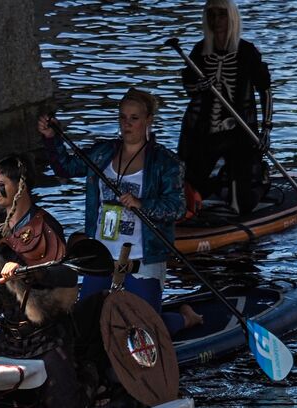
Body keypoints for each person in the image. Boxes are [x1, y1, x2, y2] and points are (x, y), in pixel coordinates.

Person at [39, 89, 201, 337]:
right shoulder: (103, 154)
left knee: (142, 331)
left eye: (134, 118)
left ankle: (184, 318)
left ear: (148, 120)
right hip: (101, 258)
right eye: (123, 117)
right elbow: (65, 167)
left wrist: (142, 203)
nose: (127, 124)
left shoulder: (165, 163)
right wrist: (52, 138)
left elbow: (177, 207)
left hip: (143, 259)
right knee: (86, 325)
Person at [0, 155, 85, 408]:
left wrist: (28, 270)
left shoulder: (47, 227)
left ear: (21, 186)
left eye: (0, 184)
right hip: (11, 334)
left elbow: (68, 276)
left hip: (47, 334)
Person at [178, 0, 272, 215]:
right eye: (211, 15)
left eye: (221, 15)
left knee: (241, 204)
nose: (216, 20)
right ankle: (220, 184)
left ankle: (257, 179)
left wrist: (266, 128)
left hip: (240, 133)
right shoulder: (200, 51)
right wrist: (198, 86)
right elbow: (189, 88)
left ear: (231, 18)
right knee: (189, 190)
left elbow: (265, 89)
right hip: (205, 134)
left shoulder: (247, 52)